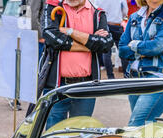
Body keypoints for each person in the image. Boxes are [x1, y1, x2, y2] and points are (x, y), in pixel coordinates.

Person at [41, 0, 113, 130]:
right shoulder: (54, 7)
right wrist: (90, 44)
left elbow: (105, 44)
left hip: (86, 85)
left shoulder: (97, 12)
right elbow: (52, 38)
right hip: (57, 84)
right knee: (53, 134)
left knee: (80, 133)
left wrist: (70, 31)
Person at [119, 0, 163, 127]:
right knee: (145, 128)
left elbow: (156, 47)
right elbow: (121, 50)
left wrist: (134, 44)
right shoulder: (135, 17)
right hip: (134, 78)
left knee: (135, 125)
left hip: (158, 78)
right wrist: (143, 49)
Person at [94, 0, 129, 79]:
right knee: (122, 50)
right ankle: (126, 75)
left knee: (106, 52)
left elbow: (96, 9)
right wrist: (121, 17)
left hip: (104, 24)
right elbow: (125, 10)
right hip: (116, 24)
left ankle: (110, 76)